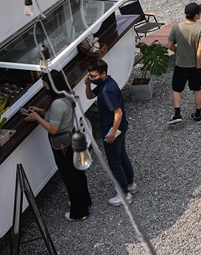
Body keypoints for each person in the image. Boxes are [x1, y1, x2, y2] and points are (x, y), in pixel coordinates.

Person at [24, 70, 92, 221]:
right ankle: (85, 201)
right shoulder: (65, 95)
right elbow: (57, 115)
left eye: (45, 85)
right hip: (71, 136)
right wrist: (41, 111)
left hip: (62, 145)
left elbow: (52, 128)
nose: (45, 88)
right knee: (78, 172)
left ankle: (79, 212)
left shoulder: (56, 104)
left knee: (70, 177)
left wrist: (36, 118)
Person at [84, 59, 136, 206]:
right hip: (121, 128)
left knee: (114, 162)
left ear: (103, 74)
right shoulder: (106, 84)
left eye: (94, 76)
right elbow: (89, 96)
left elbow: (117, 113)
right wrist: (88, 85)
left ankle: (124, 194)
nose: (92, 79)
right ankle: (130, 184)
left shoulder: (107, 91)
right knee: (121, 155)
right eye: (90, 76)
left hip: (112, 130)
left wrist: (112, 133)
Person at [167, 2, 201, 124]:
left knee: (176, 89)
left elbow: (169, 45)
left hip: (181, 65)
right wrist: (198, 64)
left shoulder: (177, 27)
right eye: (200, 12)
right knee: (197, 90)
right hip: (195, 66)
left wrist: (178, 52)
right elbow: (200, 50)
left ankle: (177, 114)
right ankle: (198, 115)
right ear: (196, 15)